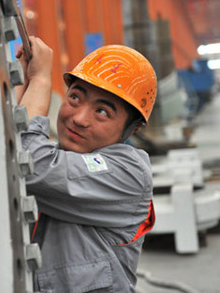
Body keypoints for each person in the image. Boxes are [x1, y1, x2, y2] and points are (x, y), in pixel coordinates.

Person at [15, 37, 157, 293]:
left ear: (131, 129)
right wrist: (22, 82)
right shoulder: (60, 159)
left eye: (103, 112)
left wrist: (40, 81)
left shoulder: (128, 174)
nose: (79, 118)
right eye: (76, 98)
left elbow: (28, 161)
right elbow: (5, 145)